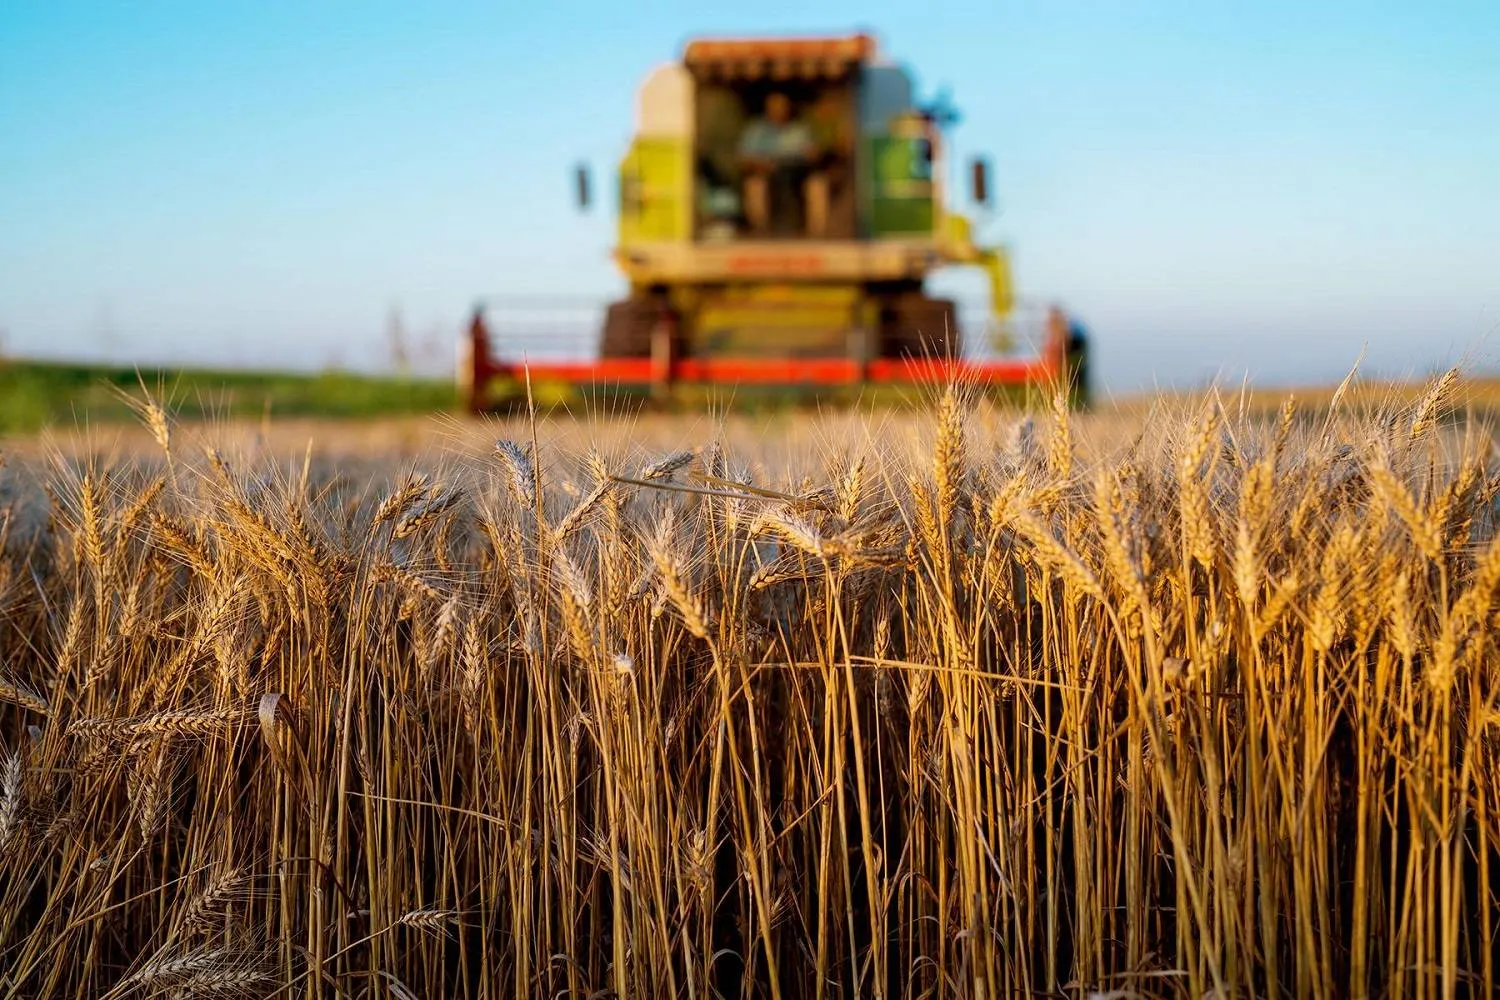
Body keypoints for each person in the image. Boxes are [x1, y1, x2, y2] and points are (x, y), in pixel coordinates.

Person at [737, 92, 825, 236]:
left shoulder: (799, 130)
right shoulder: (756, 130)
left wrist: (813, 154)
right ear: (767, 109)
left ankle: (808, 231)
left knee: (816, 185)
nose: (778, 111)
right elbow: (744, 159)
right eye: (774, 107)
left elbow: (813, 154)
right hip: (766, 174)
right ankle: (765, 230)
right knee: (757, 186)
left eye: (782, 107)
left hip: (797, 174)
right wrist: (762, 164)